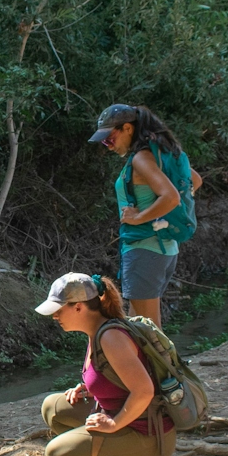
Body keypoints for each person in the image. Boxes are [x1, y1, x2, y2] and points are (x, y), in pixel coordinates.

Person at [34, 271, 176, 456]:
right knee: (53, 408)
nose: (55, 316)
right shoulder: (97, 332)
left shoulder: (111, 338)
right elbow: (119, 378)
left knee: (57, 454)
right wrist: (91, 389)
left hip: (149, 437)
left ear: (78, 307)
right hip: (134, 423)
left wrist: (113, 423)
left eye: (59, 310)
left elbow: (144, 391)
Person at [88, 104, 202, 326]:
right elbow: (194, 180)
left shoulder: (141, 158)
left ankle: (166, 363)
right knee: (137, 325)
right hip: (163, 248)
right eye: (104, 142)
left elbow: (171, 197)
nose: (108, 146)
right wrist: (161, 214)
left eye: (109, 138)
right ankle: (150, 362)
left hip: (145, 248)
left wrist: (139, 217)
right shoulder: (160, 154)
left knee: (149, 330)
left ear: (128, 128)